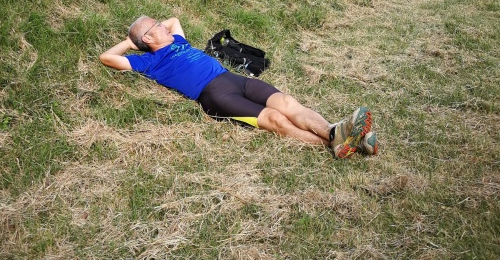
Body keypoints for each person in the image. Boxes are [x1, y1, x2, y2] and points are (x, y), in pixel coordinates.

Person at [99, 16, 378, 159]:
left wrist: (154, 29)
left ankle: (335, 133)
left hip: (233, 79)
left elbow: (174, 20)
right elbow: (107, 58)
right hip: (214, 95)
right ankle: (339, 140)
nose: (164, 26)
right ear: (148, 38)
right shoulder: (148, 62)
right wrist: (131, 41)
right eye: (157, 26)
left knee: (287, 102)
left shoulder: (178, 41)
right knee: (275, 119)